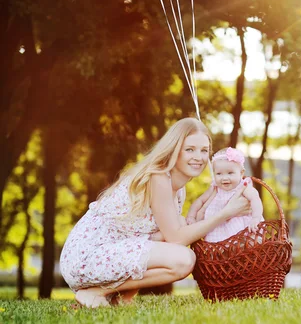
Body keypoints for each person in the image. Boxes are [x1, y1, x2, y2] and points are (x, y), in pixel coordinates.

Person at [60, 118, 251, 308]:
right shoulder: (158, 177)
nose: (199, 157)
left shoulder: (178, 189)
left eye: (204, 151)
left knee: (182, 228)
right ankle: (96, 292)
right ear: (174, 150)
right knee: (184, 259)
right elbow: (176, 239)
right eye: (190, 149)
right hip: (86, 255)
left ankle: (119, 298)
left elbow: (161, 236)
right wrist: (225, 213)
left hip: (108, 252)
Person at [186, 147, 263, 242]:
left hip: (240, 228)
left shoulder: (243, 187)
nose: (224, 178)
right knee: (218, 246)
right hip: (218, 227)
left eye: (230, 173)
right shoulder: (215, 188)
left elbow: (255, 199)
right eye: (219, 174)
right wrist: (191, 216)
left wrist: (256, 218)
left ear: (241, 173)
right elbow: (200, 201)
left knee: (245, 242)